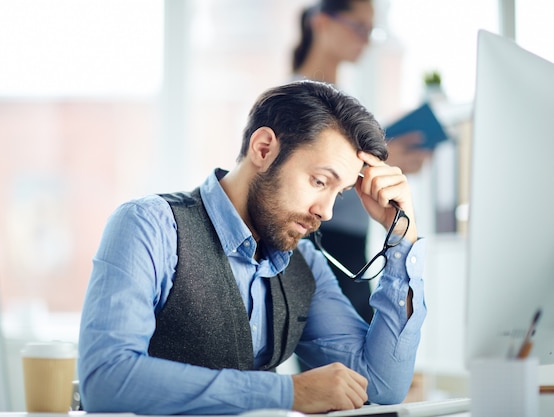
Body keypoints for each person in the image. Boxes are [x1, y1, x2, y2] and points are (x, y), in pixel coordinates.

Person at [77, 80, 427, 415]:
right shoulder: (150, 225)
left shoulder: (304, 262)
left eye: (340, 192)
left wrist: (402, 236)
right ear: (264, 149)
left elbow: (380, 385)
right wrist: (290, 393)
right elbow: (106, 379)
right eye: (320, 181)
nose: (327, 210)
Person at [291, 0, 432, 323]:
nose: (365, 40)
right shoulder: (293, 96)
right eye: (358, 27)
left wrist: (388, 167)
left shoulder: (348, 102)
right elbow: (300, 176)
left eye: (371, 31)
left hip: (352, 242)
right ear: (322, 23)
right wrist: (372, 162)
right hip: (315, 238)